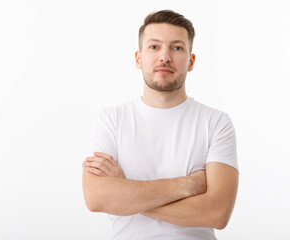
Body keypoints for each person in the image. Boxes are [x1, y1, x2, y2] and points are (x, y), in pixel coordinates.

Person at [82, 9, 239, 240]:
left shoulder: (215, 122)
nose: (164, 56)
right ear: (138, 58)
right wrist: (189, 185)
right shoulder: (112, 119)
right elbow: (96, 198)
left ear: (191, 61)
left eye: (177, 48)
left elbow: (217, 213)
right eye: (154, 47)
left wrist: (126, 192)